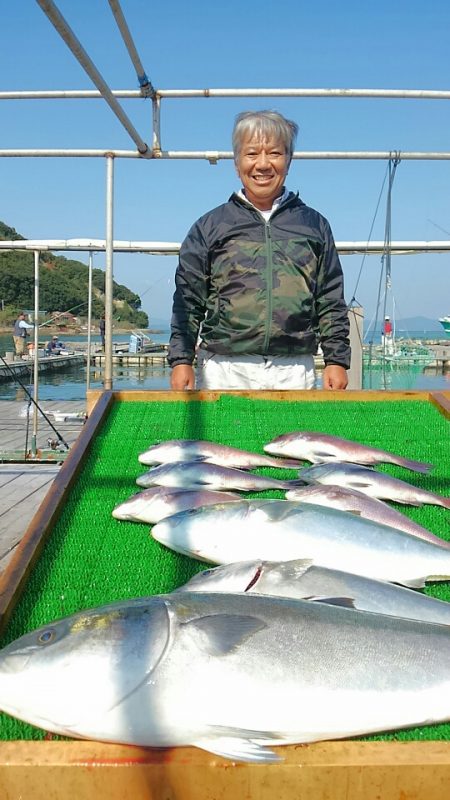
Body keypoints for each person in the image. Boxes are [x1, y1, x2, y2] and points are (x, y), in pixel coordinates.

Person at [168, 110, 350, 391]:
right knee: (221, 436)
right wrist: (181, 360)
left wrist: (336, 359)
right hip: (224, 367)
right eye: (252, 154)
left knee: (293, 435)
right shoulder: (210, 226)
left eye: (274, 153)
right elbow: (188, 299)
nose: (263, 164)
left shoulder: (314, 225)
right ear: (236, 163)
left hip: (295, 367)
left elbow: (329, 298)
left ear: (288, 161)